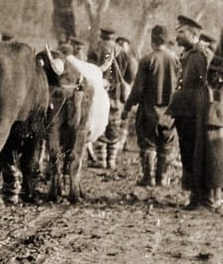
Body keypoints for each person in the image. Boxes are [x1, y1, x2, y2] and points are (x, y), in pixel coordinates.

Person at [167, 16, 223, 209]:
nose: (177, 35)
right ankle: (195, 196)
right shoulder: (189, 53)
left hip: (198, 113)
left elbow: (211, 85)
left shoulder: (201, 54)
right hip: (186, 112)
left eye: (181, 32)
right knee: (189, 154)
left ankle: (204, 198)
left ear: (193, 34)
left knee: (200, 155)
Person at [122, 25, 179, 188]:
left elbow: (138, 88)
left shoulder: (147, 60)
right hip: (170, 112)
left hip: (149, 111)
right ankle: (162, 178)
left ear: (152, 40)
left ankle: (148, 178)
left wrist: (127, 108)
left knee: (148, 144)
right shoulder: (175, 60)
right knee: (166, 145)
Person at [88, 27, 126, 169]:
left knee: (101, 126)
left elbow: (91, 70)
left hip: (99, 94)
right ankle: (112, 161)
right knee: (114, 127)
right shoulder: (121, 51)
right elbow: (127, 72)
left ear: (101, 35)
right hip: (116, 97)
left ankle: (101, 160)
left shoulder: (96, 49)